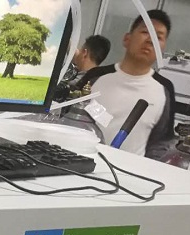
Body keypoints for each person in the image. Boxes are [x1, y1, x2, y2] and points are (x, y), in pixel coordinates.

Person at [74, 10, 176, 159]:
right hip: (81, 160)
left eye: (158, 37)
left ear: (163, 48)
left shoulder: (164, 89)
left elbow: (160, 143)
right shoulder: (95, 77)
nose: (150, 40)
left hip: (127, 170)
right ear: (127, 39)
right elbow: (69, 118)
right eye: (145, 32)